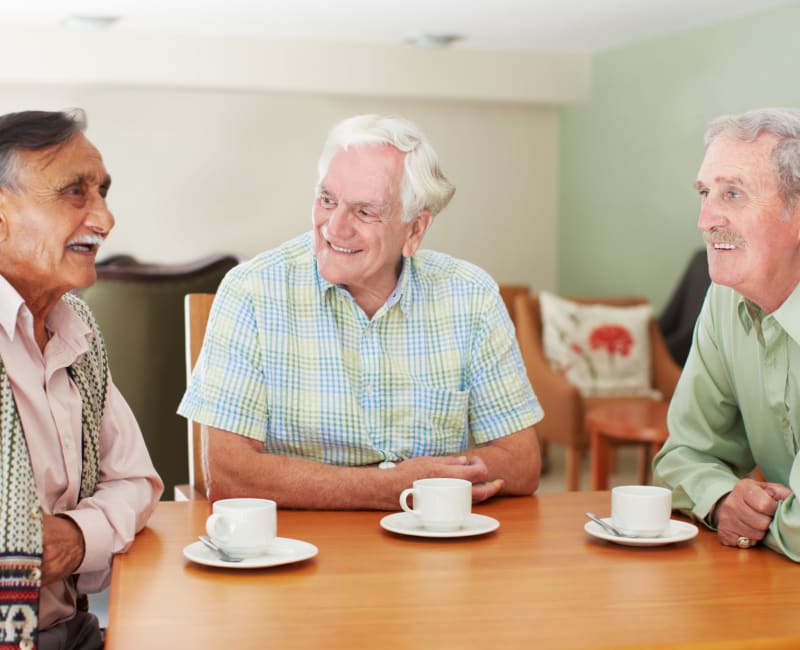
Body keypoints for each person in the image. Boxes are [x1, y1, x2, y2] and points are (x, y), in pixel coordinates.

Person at [178, 113, 542, 509]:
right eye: (327, 200)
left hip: (433, 551)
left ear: (415, 230)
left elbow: (521, 462)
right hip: (291, 550)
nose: (334, 227)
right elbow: (229, 474)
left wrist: (429, 480)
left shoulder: (471, 295)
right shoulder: (250, 290)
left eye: (365, 212)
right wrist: (392, 486)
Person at [0, 109, 163, 649]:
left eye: (102, 192)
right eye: (75, 192)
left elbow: (137, 481)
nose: (105, 219)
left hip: (74, 632)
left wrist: (76, 535)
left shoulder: (77, 329)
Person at [653, 107, 800, 560]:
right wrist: (722, 500)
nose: (705, 219)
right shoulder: (725, 298)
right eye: (705, 193)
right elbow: (682, 457)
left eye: (733, 194)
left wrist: (758, 524)